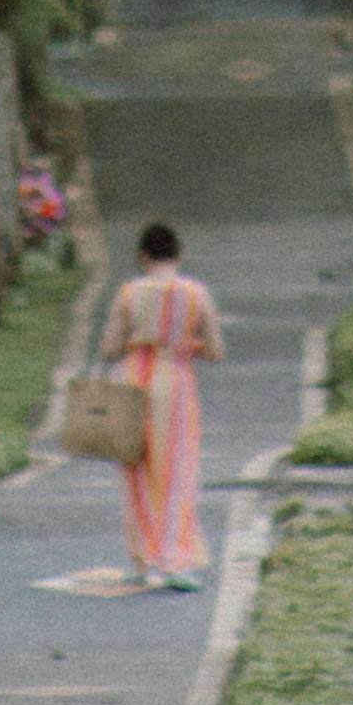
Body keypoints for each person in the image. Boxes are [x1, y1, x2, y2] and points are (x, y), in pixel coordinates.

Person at [111, 214, 224, 582]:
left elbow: (109, 347)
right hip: (175, 384)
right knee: (176, 470)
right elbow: (215, 350)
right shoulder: (196, 294)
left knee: (136, 469)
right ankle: (175, 558)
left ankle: (143, 558)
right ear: (178, 254)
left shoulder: (129, 293)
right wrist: (185, 344)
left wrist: (138, 341)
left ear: (143, 256)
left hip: (133, 381)